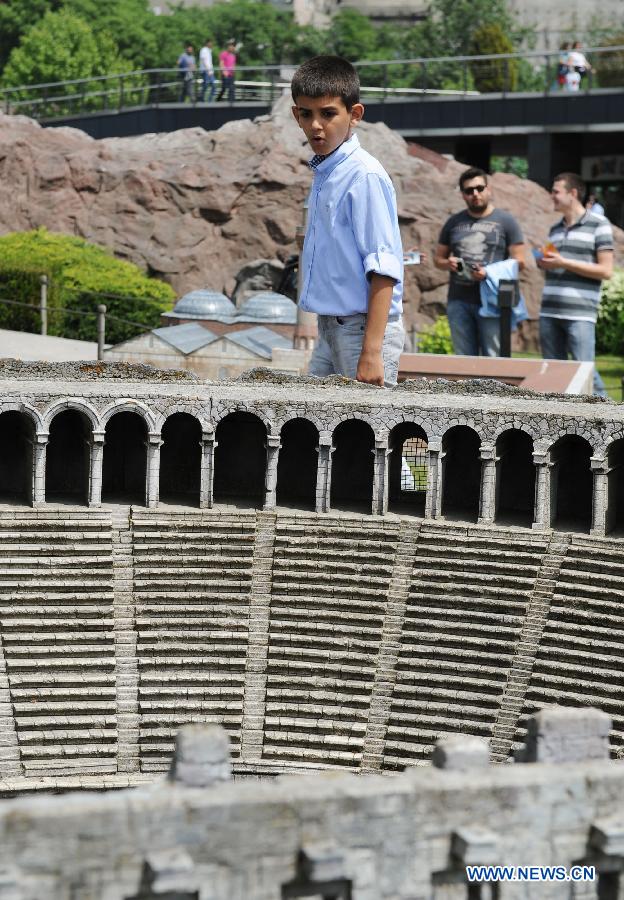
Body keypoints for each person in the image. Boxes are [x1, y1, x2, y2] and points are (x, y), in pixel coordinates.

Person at [291, 55, 404, 386]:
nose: (316, 125)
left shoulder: (363, 175)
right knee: (317, 426)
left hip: (363, 330)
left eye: (328, 114)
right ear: (295, 114)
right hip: (331, 326)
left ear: (354, 115)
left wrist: (371, 352)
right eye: (306, 114)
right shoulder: (327, 170)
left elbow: (384, 266)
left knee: (366, 433)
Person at [434, 167, 526, 357]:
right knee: (464, 361)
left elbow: (520, 261)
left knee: (494, 360)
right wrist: (447, 263)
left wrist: (489, 273)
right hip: (458, 300)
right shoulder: (454, 222)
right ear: (462, 195)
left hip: (493, 301)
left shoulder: (506, 221)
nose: (475, 194)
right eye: (469, 191)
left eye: (479, 188)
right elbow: (438, 259)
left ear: (488, 189)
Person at [538, 172, 614, 397]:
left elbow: (606, 271)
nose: (551, 196)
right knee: (554, 377)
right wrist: (546, 264)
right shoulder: (555, 229)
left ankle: (610, 419)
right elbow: (558, 266)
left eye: (556, 191)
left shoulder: (599, 225)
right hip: (549, 311)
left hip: (580, 314)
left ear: (572, 193)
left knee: (584, 374)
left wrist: (563, 262)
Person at [199, 38, 216, 103]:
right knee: (205, 86)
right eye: (210, 43)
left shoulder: (209, 50)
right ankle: (201, 100)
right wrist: (208, 70)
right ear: (207, 43)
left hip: (210, 71)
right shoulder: (204, 50)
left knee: (213, 86)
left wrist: (211, 70)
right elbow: (204, 61)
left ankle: (209, 101)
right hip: (206, 71)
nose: (211, 44)